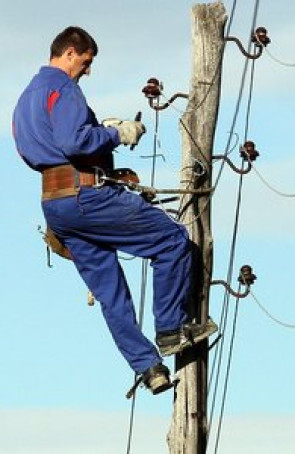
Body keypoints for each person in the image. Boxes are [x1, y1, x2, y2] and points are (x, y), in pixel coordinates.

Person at [12, 26, 217, 395]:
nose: (87, 70)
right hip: (85, 196)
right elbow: (74, 142)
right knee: (171, 241)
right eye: (86, 62)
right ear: (70, 53)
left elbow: (34, 151)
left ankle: (148, 366)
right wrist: (116, 133)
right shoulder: (64, 88)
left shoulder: (26, 98)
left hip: (55, 205)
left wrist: (96, 129)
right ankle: (172, 329)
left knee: (110, 291)